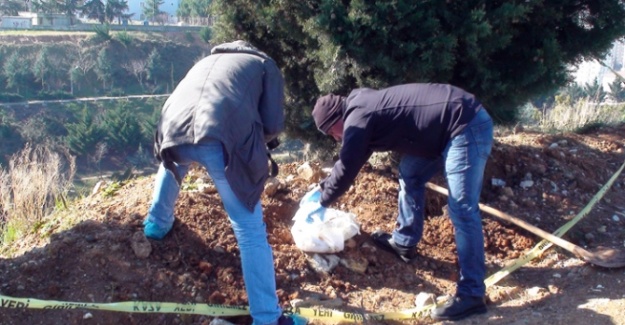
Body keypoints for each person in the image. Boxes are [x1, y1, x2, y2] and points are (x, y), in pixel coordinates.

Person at [145, 40, 305, 325]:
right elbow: (272, 124)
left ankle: (157, 223)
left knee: (176, 163)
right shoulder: (264, 64)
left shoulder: (204, 61)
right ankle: (268, 318)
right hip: (218, 138)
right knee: (249, 230)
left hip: (170, 131)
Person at [306, 83, 494, 321]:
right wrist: (323, 188)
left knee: (462, 209)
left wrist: (321, 202)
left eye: (331, 131)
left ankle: (472, 295)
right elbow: (353, 158)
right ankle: (404, 242)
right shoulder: (359, 111)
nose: (334, 137)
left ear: (337, 118)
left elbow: (347, 168)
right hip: (441, 131)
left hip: (465, 125)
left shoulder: (358, 118)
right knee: (410, 173)